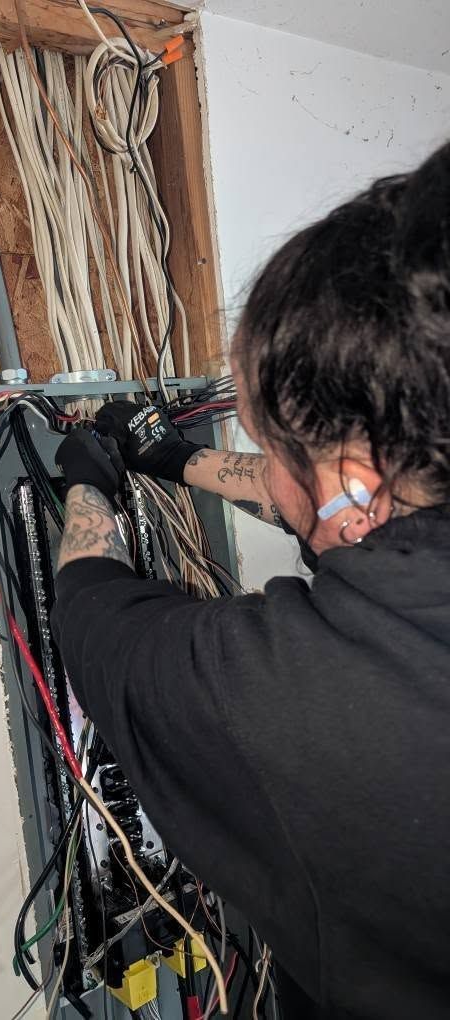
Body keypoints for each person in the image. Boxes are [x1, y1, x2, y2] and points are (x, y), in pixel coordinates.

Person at [51, 139, 450, 1020]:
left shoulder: (292, 691)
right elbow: (359, 519)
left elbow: (94, 615)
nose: (263, 466)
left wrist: (87, 480)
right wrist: (173, 458)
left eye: (268, 447)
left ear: (356, 480)